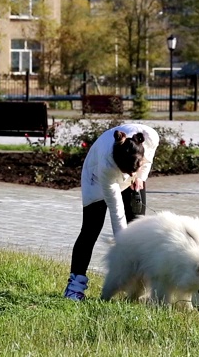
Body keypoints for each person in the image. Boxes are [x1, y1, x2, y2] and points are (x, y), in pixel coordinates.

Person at [63, 123, 160, 301]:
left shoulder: (150, 137)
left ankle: (136, 290)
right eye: (126, 173)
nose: (129, 176)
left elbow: (149, 158)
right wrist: (123, 246)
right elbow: (117, 213)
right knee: (91, 228)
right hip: (96, 178)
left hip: (131, 163)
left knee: (138, 226)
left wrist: (140, 177)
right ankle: (74, 286)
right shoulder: (107, 166)